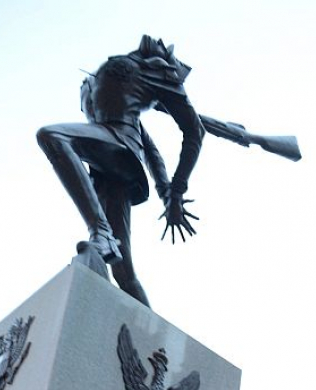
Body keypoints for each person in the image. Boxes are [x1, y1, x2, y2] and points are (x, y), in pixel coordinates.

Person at [37, 36, 204, 306]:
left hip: (119, 147)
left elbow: (191, 133)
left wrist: (173, 194)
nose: (158, 41)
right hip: (104, 164)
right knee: (124, 272)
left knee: (52, 136)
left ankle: (101, 232)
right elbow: (150, 149)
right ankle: (152, 340)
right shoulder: (122, 79)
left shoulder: (159, 71)